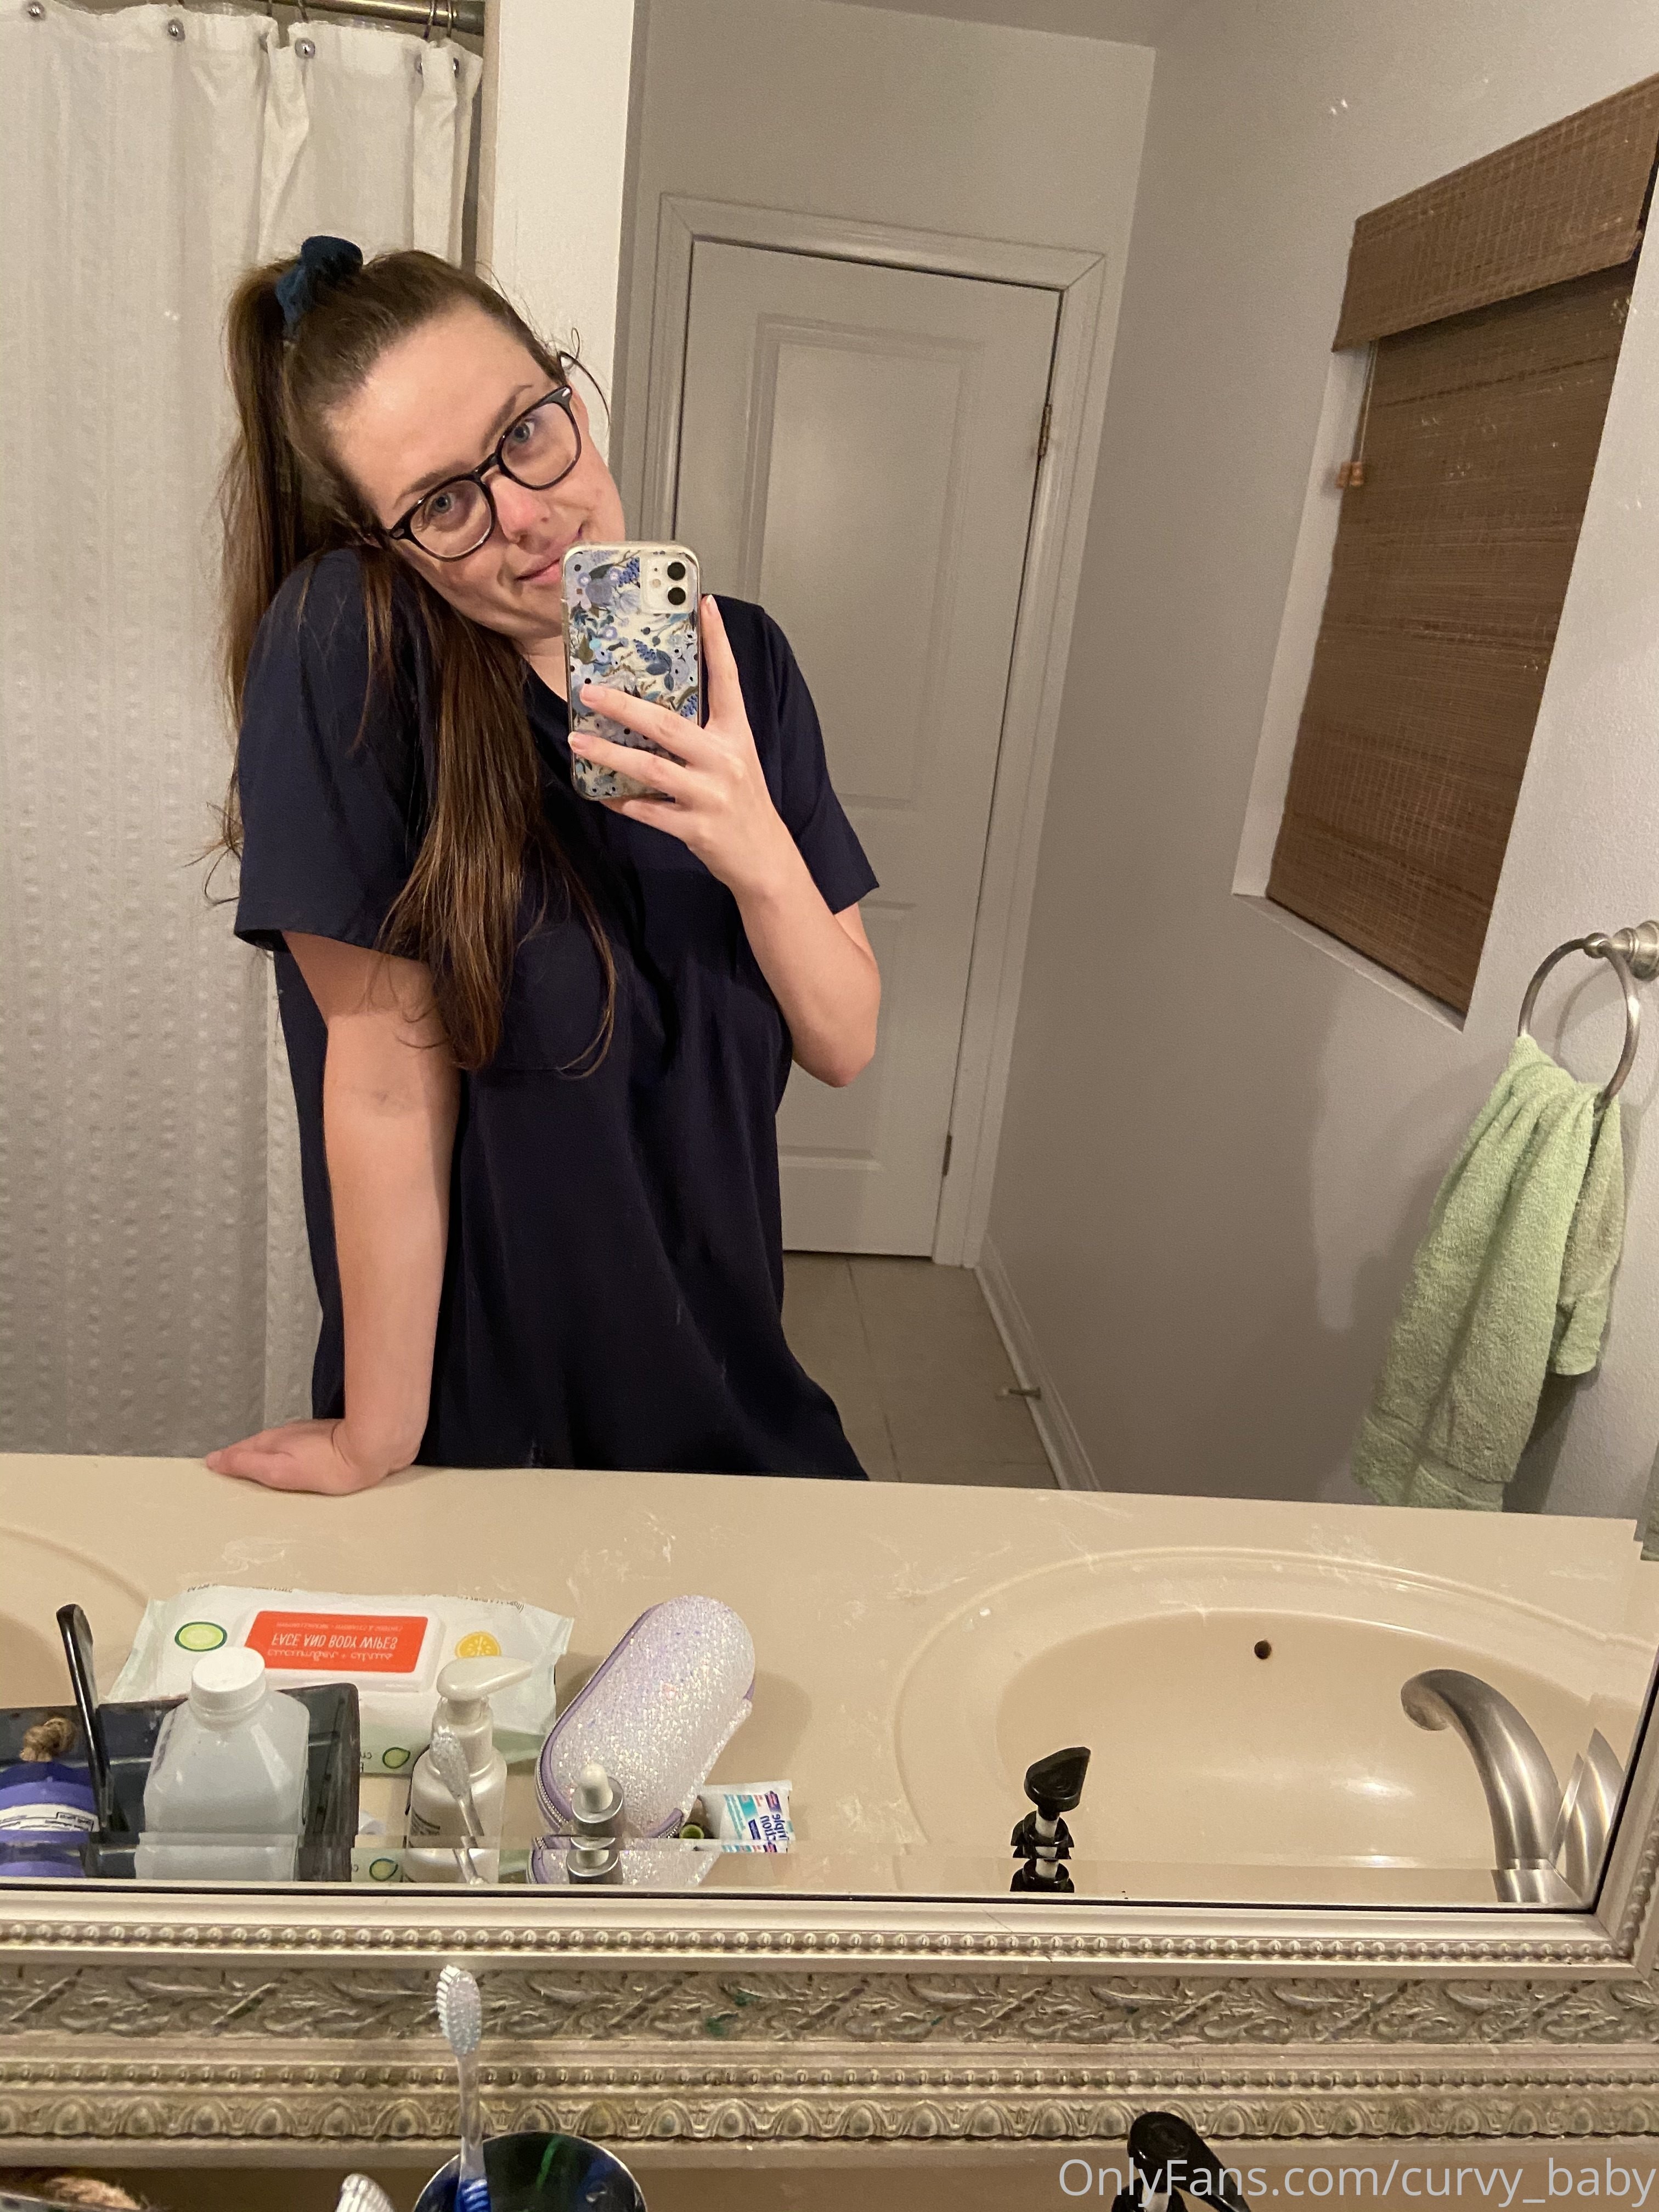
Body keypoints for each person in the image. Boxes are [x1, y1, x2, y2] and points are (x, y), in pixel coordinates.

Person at [205, 236, 879, 1493]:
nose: (524, 514)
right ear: (384, 542)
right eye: (443, 504)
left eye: (526, 431)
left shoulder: (748, 667)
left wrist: (756, 849)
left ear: (569, 395)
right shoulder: (359, 653)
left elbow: (843, 1039)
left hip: (735, 1410)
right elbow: (385, 1084)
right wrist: (375, 1437)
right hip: (495, 1446)